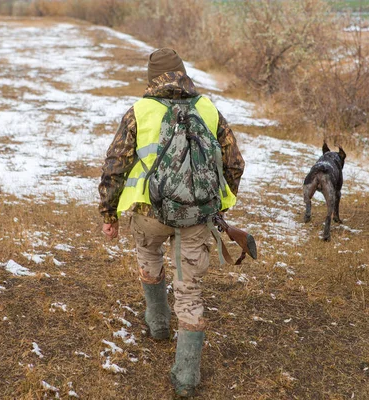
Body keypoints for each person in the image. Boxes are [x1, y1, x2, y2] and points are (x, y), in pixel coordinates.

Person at [98, 48, 244, 397]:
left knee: (149, 259)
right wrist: (219, 204)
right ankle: (186, 378)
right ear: (183, 74)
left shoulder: (139, 111)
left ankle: (158, 324)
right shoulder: (208, 109)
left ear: (152, 79)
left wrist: (109, 215)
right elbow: (235, 163)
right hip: (197, 217)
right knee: (189, 290)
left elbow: (114, 167)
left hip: (149, 214)